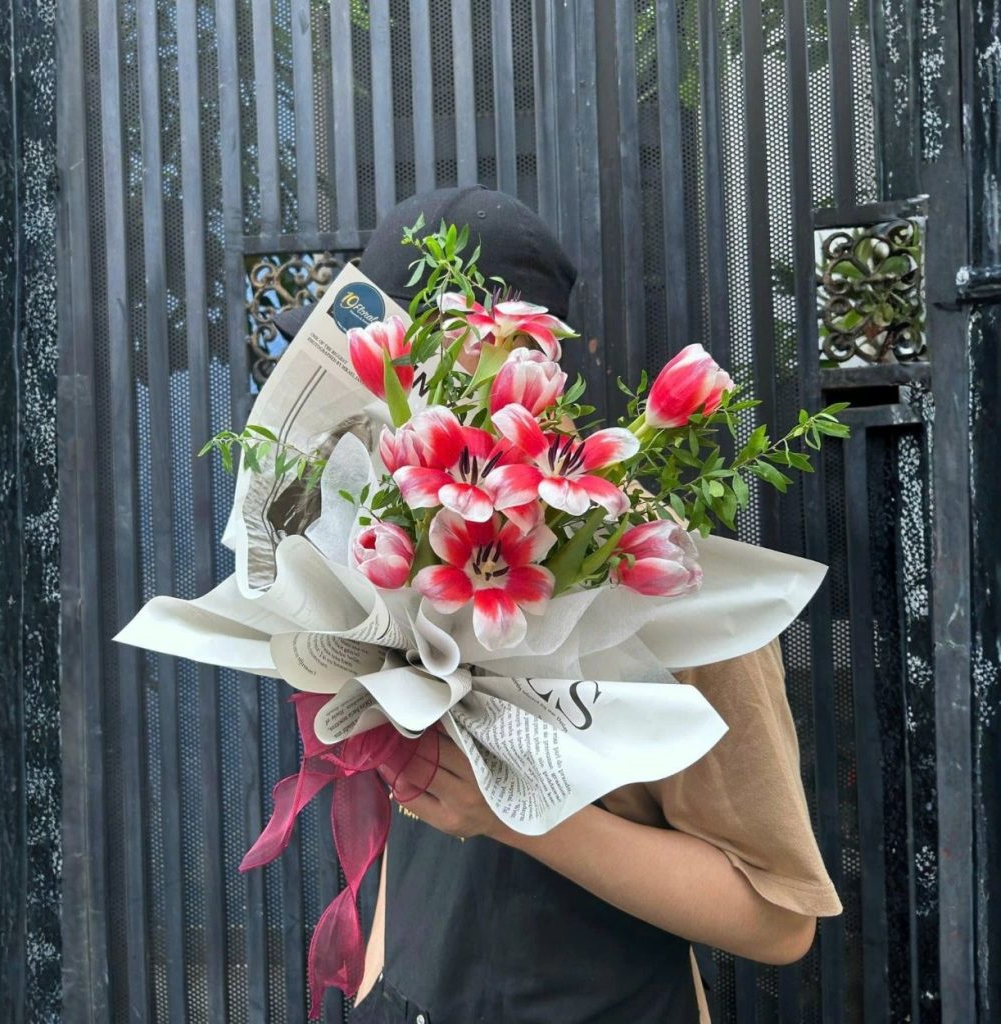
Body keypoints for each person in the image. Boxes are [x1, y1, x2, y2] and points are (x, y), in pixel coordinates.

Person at [278, 185, 842, 1024]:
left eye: (412, 356)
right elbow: (421, 813)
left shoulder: (657, 568)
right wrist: (375, 985)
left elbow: (779, 917)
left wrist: (516, 817)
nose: (388, 390)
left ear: (518, 353)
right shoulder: (402, 535)